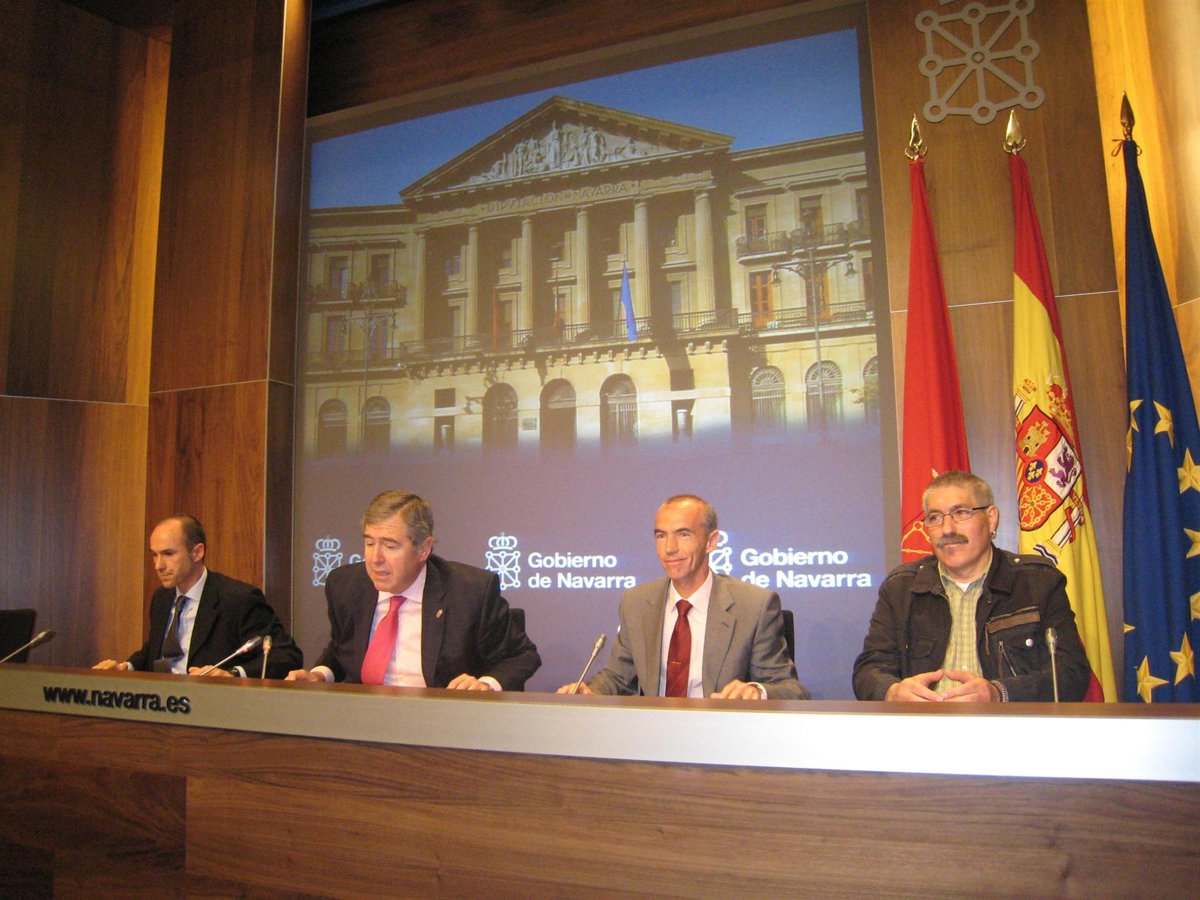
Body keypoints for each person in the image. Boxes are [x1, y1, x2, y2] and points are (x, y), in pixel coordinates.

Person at [853, 470, 1091, 702]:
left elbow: (1071, 674)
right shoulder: (901, 588)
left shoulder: (1037, 582)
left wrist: (999, 693)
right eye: (934, 517)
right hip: (924, 725)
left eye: (961, 513)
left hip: (1008, 725)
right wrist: (892, 692)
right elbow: (869, 669)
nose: (947, 529)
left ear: (991, 518)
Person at [558, 495, 808, 699]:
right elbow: (618, 677)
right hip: (653, 734)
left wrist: (756, 691)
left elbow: (791, 690)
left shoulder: (753, 606)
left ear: (711, 542)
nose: (670, 548)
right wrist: (590, 691)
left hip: (721, 735)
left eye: (683, 534)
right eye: (661, 536)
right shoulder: (637, 602)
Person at [287, 490, 540, 689]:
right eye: (369, 543)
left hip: (440, 720)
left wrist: (484, 684)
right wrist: (320, 674)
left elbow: (522, 656)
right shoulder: (345, 585)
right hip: (363, 717)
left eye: (390, 546)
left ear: (423, 549)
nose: (375, 559)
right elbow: (343, 650)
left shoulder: (470, 592)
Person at [94, 515, 302, 678]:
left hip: (211, 706)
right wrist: (126, 667)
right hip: (165, 703)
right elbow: (157, 654)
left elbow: (286, 656)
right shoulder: (162, 598)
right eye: (154, 555)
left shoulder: (238, 599)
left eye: (168, 554)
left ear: (197, 552)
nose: (158, 565)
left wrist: (232, 674)